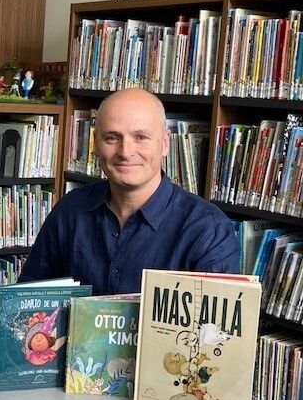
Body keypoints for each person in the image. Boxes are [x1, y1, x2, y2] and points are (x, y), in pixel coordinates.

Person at [19, 88, 239, 294]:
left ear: (164, 144)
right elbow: (30, 299)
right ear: (95, 144)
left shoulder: (209, 230)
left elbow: (217, 332)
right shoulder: (70, 210)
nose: (125, 152)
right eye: (112, 138)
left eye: (141, 137)